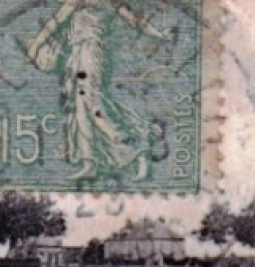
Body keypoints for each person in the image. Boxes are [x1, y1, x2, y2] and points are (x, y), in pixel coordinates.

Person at [23, 0, 171, 182]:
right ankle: (91, 162)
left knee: (92, 100)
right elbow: (56, 21)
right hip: (78, 53)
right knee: (81, 105)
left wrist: (160, 35)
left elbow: (136, 22)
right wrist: (35, 46)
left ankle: (126, 141)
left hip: (93, 52)